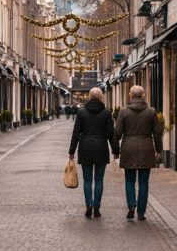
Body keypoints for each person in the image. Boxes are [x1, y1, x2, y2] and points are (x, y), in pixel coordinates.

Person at [114, 85, 162, 221]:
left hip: (128, 148)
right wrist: (158, 151)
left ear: (130, 95)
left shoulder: (123, 112)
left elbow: (117, 133)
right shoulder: (151, 112)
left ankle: (131, 205)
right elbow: (157, 133)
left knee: (129, 180)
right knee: (144, 182)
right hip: (146, 149)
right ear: (143, 95)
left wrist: (116, 151)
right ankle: (141, 212)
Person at [69, 87, 119, 218]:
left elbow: (76, 133)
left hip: (85, 147)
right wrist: (115, 150)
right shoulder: (107, 113)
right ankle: (96, 206)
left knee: (87, 180)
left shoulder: (81, 113)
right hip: (101, 147)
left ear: (89, 97)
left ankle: (89, 205)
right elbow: (111, 133)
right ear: (101, 97)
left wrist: (71, 151)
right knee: (98, 180)